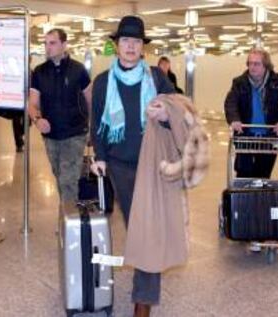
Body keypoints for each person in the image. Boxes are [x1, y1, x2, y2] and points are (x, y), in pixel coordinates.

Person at [89, 16, 175, 317]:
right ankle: (143, 297)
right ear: (116, 46)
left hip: (153, 163)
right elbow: (98, 122)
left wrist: (167, 113)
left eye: (136, 41)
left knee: (147, 231)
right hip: (120, 166)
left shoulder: (156, 78)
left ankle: (143, 301)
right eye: (125, 41)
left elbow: (177, 107)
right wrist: (98, 155)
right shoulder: (102, 82)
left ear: (143, 48)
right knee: (139, 228)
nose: (130, 46)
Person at [29, 28, 92, 203]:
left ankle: (69, 225)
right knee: (59, 176)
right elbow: (32, 103)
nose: (47, 47)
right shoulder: (39, 72)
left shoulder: (78, 70)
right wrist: (37, 119)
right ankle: (69, 217)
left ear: (64, 45)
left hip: (75, 133)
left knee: (68, 181)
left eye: (52, 43)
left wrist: (92, 128)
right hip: (51, 136)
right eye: (45, 43)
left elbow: (91, 100)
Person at [224, 48, 278, 179]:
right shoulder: (239, 82)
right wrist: (234, 119)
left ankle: (260, 199)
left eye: (256, 64)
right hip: (244, 135)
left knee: (263, 175)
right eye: (250, 63)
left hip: (269, 136)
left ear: (266, 66)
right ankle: (242, 199)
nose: (252, 67)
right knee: (243, 174)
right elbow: (231, 103)